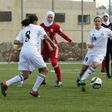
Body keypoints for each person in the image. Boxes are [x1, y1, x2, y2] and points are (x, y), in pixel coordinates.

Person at [0, 14, 56, 97]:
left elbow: (15, 41)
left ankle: (6, 83)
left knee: (25, 75)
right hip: (32, 51)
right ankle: (34, 90)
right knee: (45, 70)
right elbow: (46, 37)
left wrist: (25, 43)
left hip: (23, 52)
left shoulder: (24, 29)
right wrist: (53, 45)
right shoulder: (38, 27)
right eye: (37, 21)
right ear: (35, 21)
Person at [76, 16, 112, 92]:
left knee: (95, 65)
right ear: (94, 22)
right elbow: (88, 44)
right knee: (84, 68)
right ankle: (79, 78)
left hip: (100, 53)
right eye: (96, 21)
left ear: (101, 22)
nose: (97, 22)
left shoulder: (106, 31)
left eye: (99, 21)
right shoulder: (92, 32)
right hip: (91, 52)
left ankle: (83, 79)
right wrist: (90, 45)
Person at [40, 11, 76, 87]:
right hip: (45, 48)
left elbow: (62, 34)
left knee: (54, 62)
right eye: (48, 17)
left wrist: (70, 41)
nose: (50, 19)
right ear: (46, 17)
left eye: (51, 17)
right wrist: (47, 46)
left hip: (54, 47)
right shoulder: (41, 26)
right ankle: (42, 80)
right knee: (40, 63)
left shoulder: (56, 26)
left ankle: (59, 81)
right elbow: (43, 38)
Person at [102, 13, 112, 78]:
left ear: (108, 17)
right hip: (105, 44)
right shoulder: (101, 25)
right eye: (104, 16)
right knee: (107, 59)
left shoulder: (111, 24)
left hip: (111, 43)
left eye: (106, 16)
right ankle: (107, 73)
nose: (105, 17)